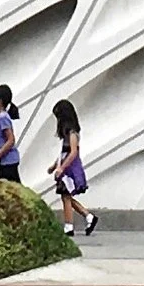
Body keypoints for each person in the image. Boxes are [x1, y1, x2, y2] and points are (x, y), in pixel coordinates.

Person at [49, 97, 96, 236]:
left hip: (70, 169)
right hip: (65, 167)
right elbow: (63, 152)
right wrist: (54, 165)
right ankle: (88, 216)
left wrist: (62, 168)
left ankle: (69, 225)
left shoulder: (72, 133)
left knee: (66, 196)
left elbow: (73, 152)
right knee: (66, 196)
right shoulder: (66, 135)